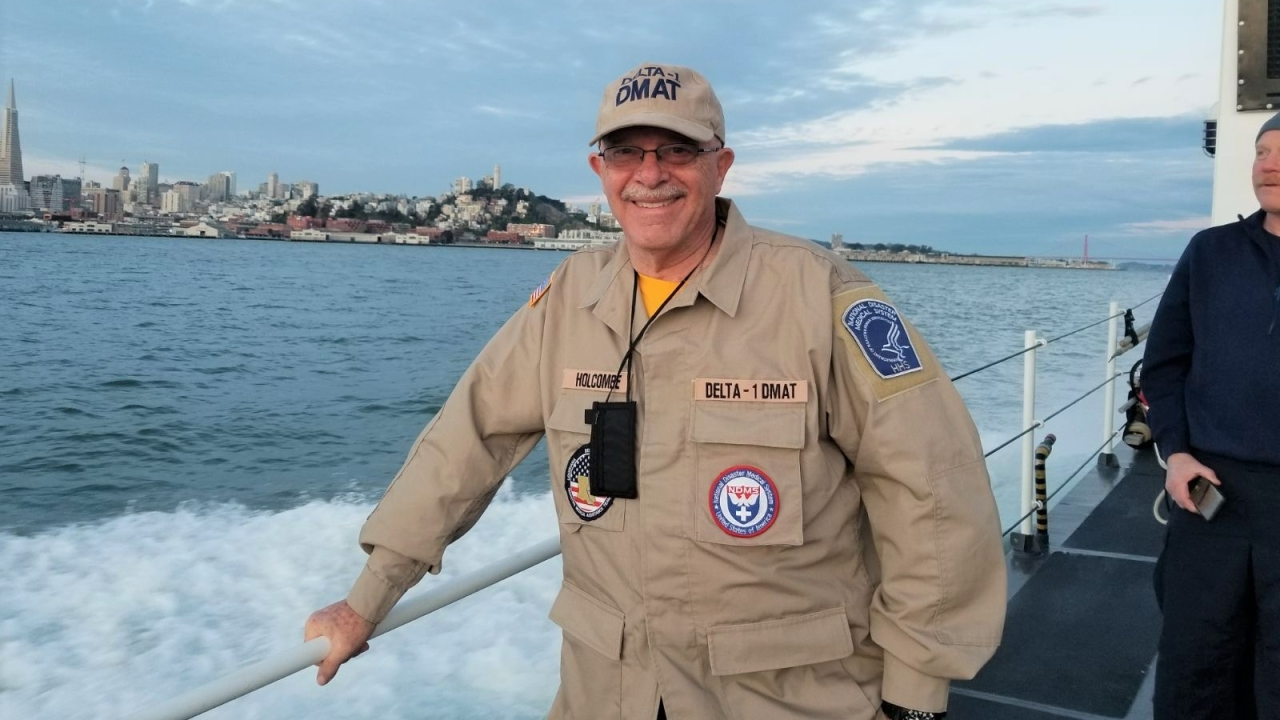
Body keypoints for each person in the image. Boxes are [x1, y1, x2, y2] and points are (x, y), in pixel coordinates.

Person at [304, 62, 1006, 720]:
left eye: (675, 151)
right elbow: (466, 444)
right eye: (627, 153)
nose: (650, 175)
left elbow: (932, 488)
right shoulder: (568, 301)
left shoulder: (820, 295)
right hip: (608, 688)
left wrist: (915, 690)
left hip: (787, 695)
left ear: (720, 164)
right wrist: (369, 598)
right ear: (598, 171)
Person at [1145, 112, 1280, 719]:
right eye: (1261, 152)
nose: (1269, 165)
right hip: (1212, 494)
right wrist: (1175, 452)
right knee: (1197, 664)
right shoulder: (1210, 251)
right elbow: (1165, 364)